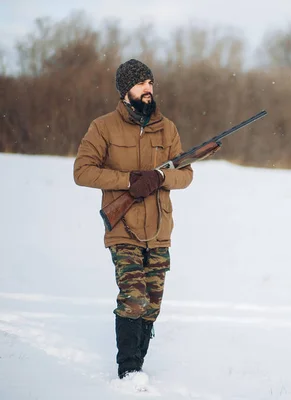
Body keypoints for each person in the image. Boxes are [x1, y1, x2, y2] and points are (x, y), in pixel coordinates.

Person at [73, 59, 197, 379]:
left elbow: (185, 175)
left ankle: (137, 363)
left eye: (151, 83)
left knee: (152, 305)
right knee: (134, 297)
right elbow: (82, 172)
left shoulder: (166, 128)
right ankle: (129, 370)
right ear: (124, 89)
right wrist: (129, 180)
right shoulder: (103, 127)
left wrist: (160, 178)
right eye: (141, 83)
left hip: (159, 230)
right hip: (123, 227)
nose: (148, 89)